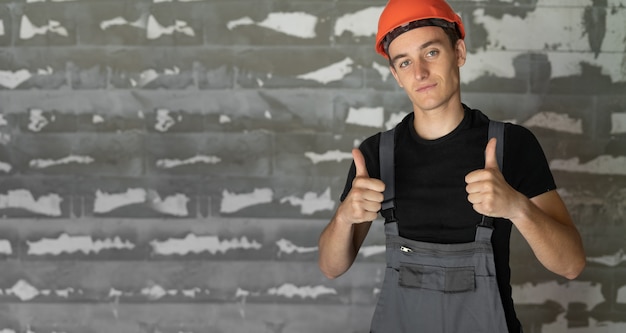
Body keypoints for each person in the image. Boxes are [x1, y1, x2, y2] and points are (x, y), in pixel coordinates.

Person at [317, 0, 586, 332]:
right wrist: (345, 215)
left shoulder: (510, 146)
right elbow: (331, 268)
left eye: (431, 53)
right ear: (396, 75)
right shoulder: (376, 155)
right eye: (404, 62)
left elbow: (572, 265)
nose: (420, 73)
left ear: (458, 52)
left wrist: (517, 207)